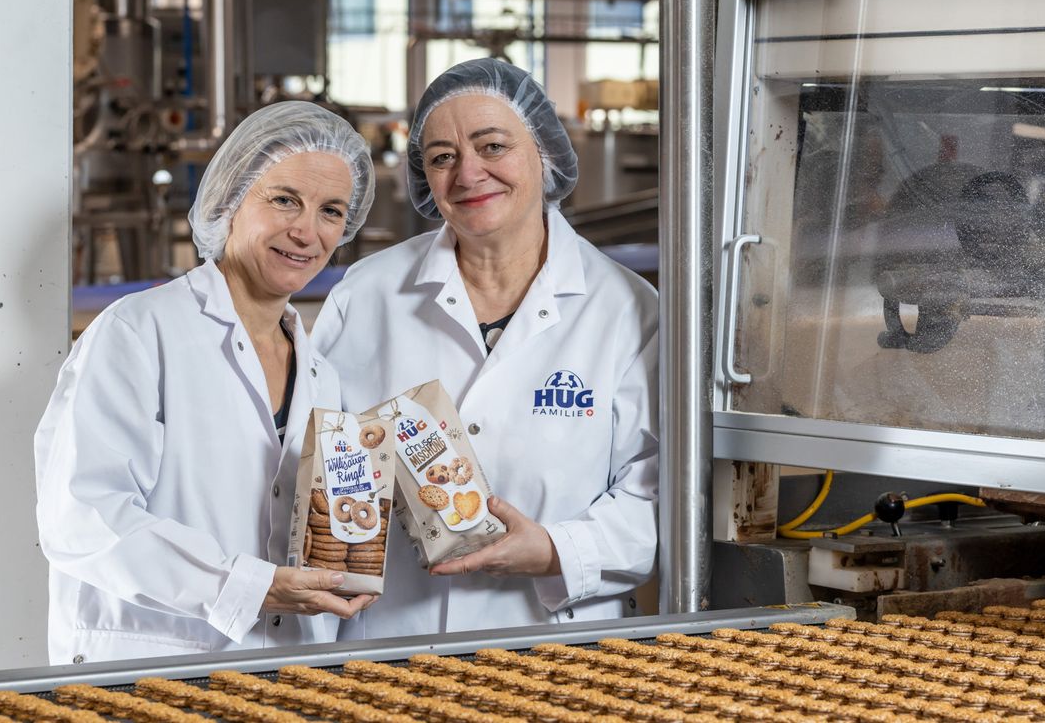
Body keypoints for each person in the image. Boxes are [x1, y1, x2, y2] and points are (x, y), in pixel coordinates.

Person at [312, 58, 658, 639]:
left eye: (493, 146)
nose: (469, 174)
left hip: (555, 646)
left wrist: (553, 549)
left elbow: (657, 495)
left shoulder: (625, 308)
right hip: (391, 643)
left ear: (545, 154)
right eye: (442, 157)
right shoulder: (368, 294)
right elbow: (313, 459)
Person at [35, 101, 377, 664]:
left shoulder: (321, 375)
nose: (306, 231)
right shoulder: (139, 332)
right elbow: (83, 516)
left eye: (331, 211)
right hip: (148, 670)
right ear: (231, 198)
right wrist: (244, 586)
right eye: (285, 199)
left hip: (279, 676)